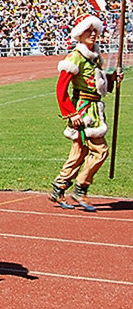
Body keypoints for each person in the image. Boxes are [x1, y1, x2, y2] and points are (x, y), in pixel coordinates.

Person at [49, 14, 121, 212]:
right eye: (88, 30)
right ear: (79, 34)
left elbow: (97, 84)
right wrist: (71, 114)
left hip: (94, 108)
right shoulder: (76, 57)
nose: (92, 34)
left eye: (94, 30)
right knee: (100, 151)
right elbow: (61, 87)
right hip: (83, 110)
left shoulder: (95, 56)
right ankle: (81, 188)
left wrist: (112, 78)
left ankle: (58, 189)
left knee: (79, 153)